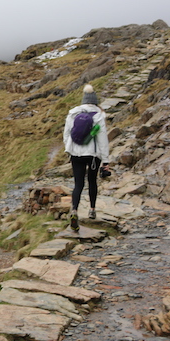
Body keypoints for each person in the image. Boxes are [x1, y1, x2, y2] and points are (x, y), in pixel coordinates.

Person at [63, 84, 110, 231]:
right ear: (95, 102)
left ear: (83, 101)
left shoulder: (72, 114)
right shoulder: (98, 115)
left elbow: (66, 134)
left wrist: (69, 150)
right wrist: (105, 159)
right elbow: (102, 138)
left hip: (76, 154)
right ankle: (92, 210)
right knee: (92, 181)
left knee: (78, 184)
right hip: (93, 155)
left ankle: (75, 210)